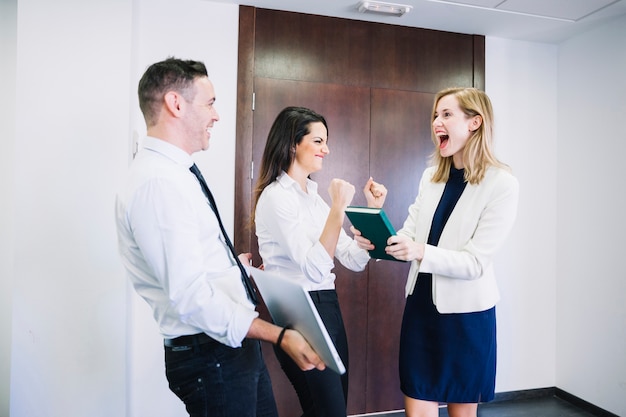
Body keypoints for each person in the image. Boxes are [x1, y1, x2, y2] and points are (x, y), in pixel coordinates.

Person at [115, 58, 325, 417]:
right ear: (175, 104)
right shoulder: (158, 183)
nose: (216, 116)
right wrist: (278, 335)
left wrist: (233, 270)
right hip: (211, 355)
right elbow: (190, 296)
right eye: (210, 103)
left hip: (228, 351)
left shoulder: (174, 174)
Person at [353, 87, 519, 417]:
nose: (436, 123)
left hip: (467, 318)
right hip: (421, 309)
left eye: (446, 114)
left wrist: (419, 251)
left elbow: (474, 263)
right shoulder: (430, 177)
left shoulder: (502, 184)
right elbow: (408, 238)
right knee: (417, 399)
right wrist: (377, 223)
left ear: (475, 122)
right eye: (435, 115)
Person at [251, 106, 387, 417]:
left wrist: (372, 212)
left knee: (329, 407)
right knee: (328, 411)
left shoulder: (313, 197)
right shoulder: (276, 198)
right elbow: (313, 266)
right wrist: (339, 208)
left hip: (328, 307)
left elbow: (353, 259)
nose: (326, 149)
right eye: (318, 141)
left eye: (326, 141)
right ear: (292, 144)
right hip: (300, 312)